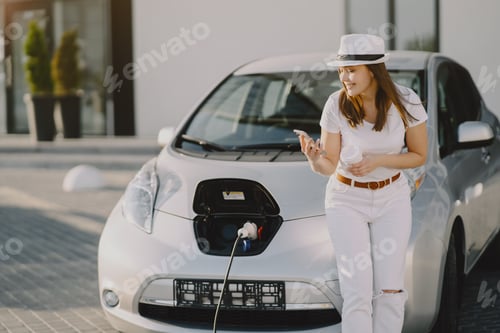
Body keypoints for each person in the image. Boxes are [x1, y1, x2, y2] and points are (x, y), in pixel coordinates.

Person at [298, 34, 428, 333]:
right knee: (356, 290)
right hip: (345, 200)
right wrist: (314, 158)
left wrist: (379, 161)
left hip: (392, 197)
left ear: (375, 70)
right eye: (342, 70)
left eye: (352, 69)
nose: (345, 77)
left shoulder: (406, 101)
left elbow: (419, 155)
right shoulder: (336, 104)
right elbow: (328, 166)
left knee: (390, 290)